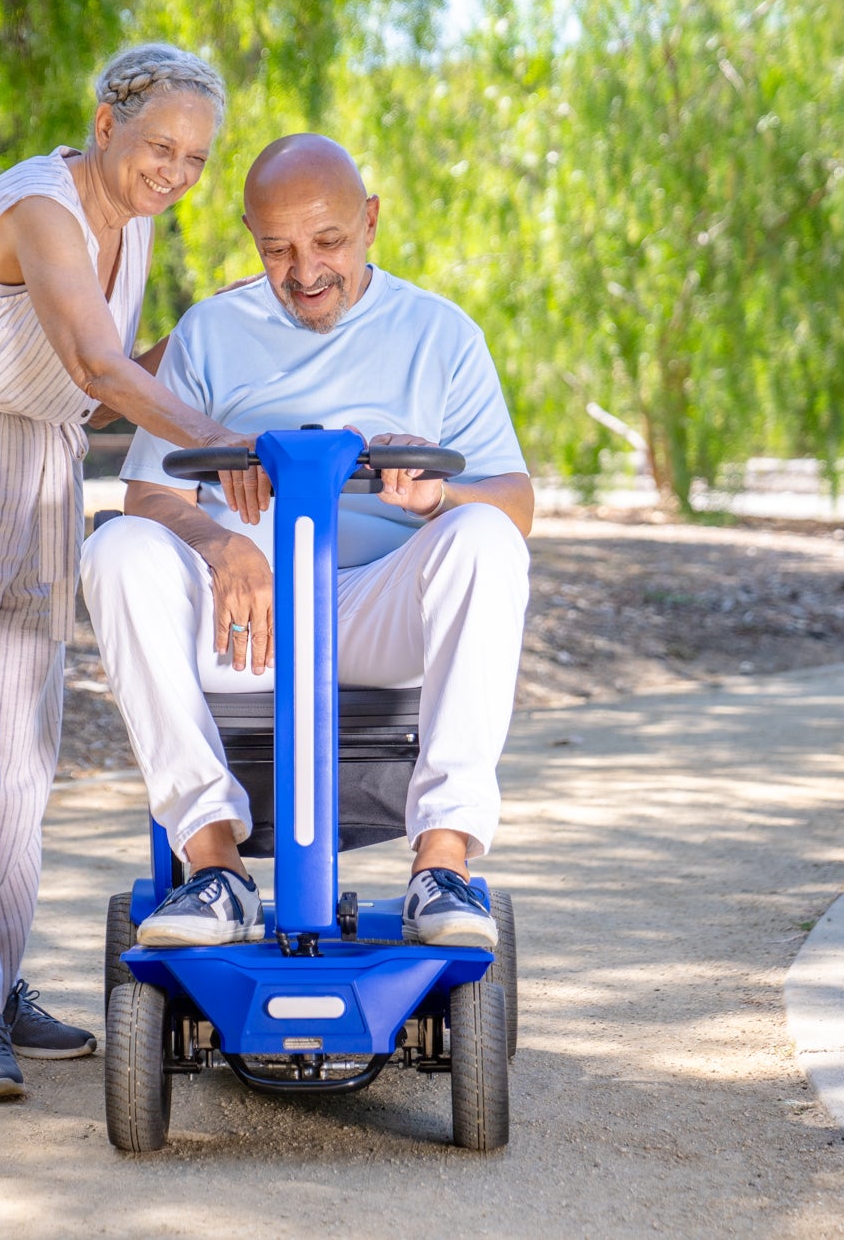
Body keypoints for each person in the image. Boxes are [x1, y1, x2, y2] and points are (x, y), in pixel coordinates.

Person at [0, 44, 263, 1100]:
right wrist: (225, 446)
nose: (175, 172)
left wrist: (215, 325)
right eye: (161, 146)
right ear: (105, 123)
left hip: (39, 461)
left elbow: (100, 378)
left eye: (196, 159)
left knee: (23, 749)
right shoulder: (41, 205)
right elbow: (91, 362)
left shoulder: (135, 225)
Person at [79, 133, 534, 950]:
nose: (305, 271)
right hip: (246, 616)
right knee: (115, 549)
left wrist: (439, 493)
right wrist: (219, 544)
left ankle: (443, 862)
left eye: (328, 241)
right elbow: (148, 494)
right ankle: (214, 864)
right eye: (278, 249)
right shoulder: (211, 331)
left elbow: (517, 501)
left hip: (375, 606)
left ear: (371, 222)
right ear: (251, 237)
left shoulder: (441, 333)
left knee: (485, 537)